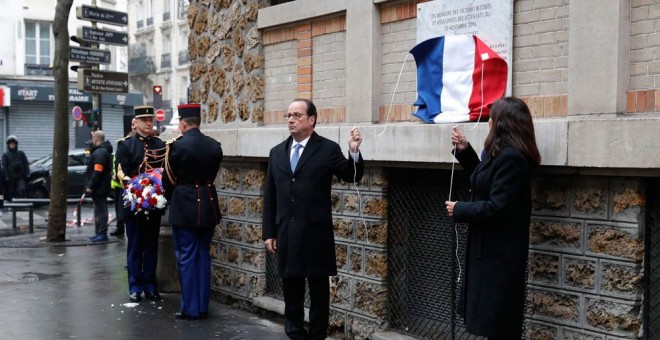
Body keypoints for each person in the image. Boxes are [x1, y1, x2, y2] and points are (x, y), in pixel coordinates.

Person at [262, 98, 364, 339]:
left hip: (315, 233)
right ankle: (295, 333)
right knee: (291, 289)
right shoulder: (277, 152)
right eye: (288, 115)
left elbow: (352, 175)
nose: (291, 120)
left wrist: (353, 151)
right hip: (286, 231)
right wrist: (269, 232)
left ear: (311, 119)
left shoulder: (327, 149)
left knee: (319, 292)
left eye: (297, 115)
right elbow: (270, 195)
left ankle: (317, 335)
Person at [445, 97, 541, 340]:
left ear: (502, 123)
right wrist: (465, 151)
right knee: (492, 325)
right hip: (487, 252)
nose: (488, 122)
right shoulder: (500, 155)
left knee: (499, 325)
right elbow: (482, 178)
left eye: (492, 117)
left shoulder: (513, 159)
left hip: (500, 258)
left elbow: (498, 207)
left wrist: (460, 210)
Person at [162, 104, 223, 320]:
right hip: (207, 205)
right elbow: (212, 175)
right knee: (203, 256)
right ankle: (203, 306)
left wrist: (174, 197)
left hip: (184, 205)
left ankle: (190, 309)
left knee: (186, 257)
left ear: (183, 123)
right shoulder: (215, 146)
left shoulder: (176, 147)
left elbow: (167, 181)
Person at [116, 106, 166, 303]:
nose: (148, 123)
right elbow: (121, 173)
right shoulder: (125, 145)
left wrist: (155, 190)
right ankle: (135, 287)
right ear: (135, 123)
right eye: (144, 120)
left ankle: (151, 286)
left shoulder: (160, 144)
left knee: (151, 247)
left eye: (150, 119)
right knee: (135, 246)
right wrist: (139, 190)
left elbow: (163, 171)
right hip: (133, 205)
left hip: (153, 205)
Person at [110, 118, 138, 237]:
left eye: (135, 123)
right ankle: (120, 226)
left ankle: (120, 226)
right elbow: (118, 166)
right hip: (121, 185)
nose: (134, 126)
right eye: (132, 124)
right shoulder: (123, 145)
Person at [85, 130, 113, 243]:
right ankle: (99, 233)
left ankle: (102, 233)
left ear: (95, 139)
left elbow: (97, 171)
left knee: (101, 210)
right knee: (99, 209)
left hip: (99, 187)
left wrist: (90, 185)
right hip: (101, 186)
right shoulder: (102, 151)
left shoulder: (99, 153)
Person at [2, 135, 29, 202]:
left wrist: (27, 174)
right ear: (8, 145)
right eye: (10, 144)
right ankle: (12, 206)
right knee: (11, 192)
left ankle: (23, 204)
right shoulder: (5, 155)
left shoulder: (21, 153)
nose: (12, 145)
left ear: (16, 144)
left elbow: (26, 164)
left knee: (21, 189)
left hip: (20, 177)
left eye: (13, 144)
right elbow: (4, 166)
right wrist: (6, 176)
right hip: (10, 178)